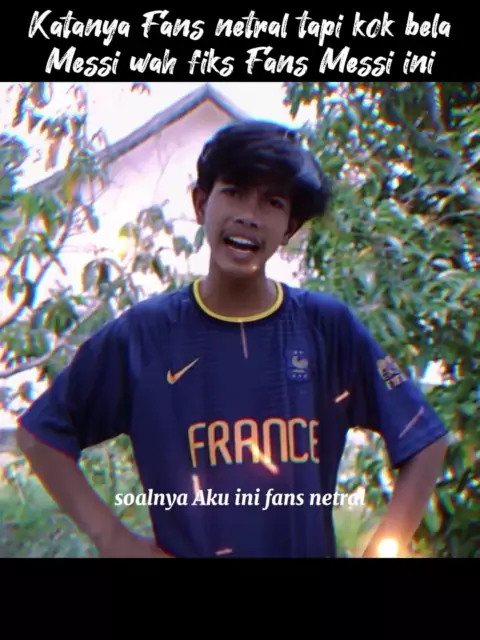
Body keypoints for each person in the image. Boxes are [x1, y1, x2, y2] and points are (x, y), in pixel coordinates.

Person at [17, 119, 448, 558]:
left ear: (290, 227)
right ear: (201, 203)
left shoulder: (326, 328)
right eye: (235, 192)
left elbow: (424, 440)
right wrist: (113, 539)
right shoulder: (144, 336)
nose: (249, 215)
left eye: (272, 202)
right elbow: (40, 435)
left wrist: (383, 549)